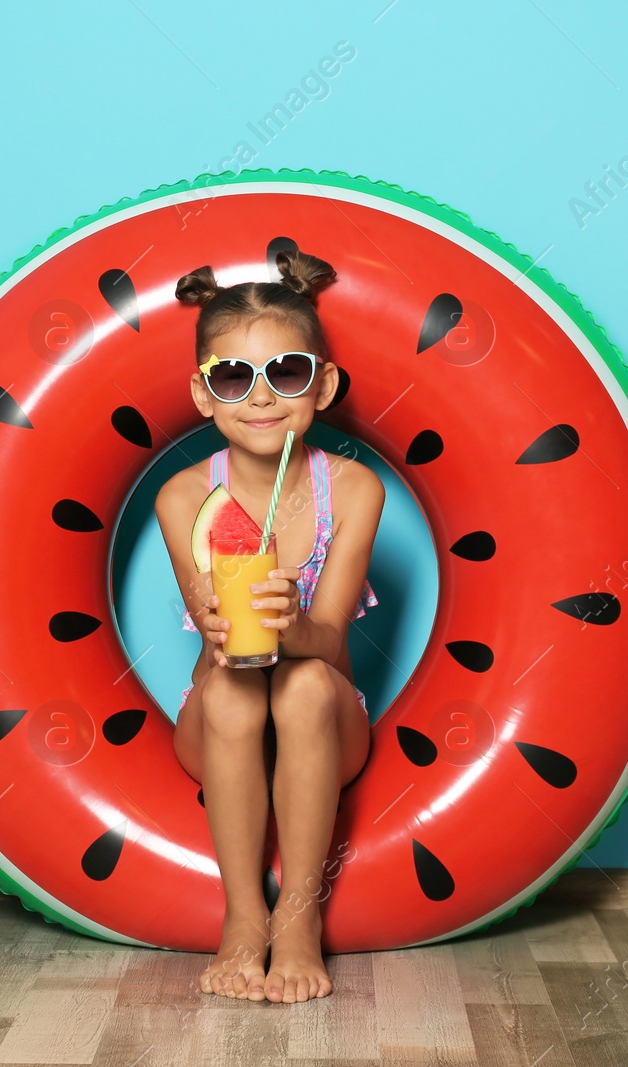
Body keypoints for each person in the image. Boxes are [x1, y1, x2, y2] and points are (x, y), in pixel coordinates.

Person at [153, 249, 384, 1004]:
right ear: (203, 393)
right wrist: (227, 626)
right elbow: (219, 646)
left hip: (325, 714)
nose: (260, 398)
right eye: (231, 377)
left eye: (285, 373)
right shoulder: (184, 497)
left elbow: (331, 640)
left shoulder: (353, 490)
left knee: (306, 683)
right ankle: (245, 917)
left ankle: (296, 919)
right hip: (220, 721)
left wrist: (292, 628)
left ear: (323, 385)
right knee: (230, 693)